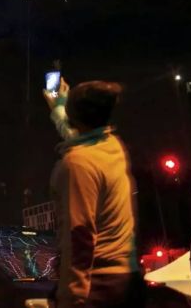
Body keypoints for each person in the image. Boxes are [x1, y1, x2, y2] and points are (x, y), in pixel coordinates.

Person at [44, 79, 142, 308]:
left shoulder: (76, 164)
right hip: (126, 279)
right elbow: (79, 139)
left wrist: (71, 297)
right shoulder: (112, 146)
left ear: (74, 114)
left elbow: (79, 235)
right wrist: (58, 109)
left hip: (97, 286)